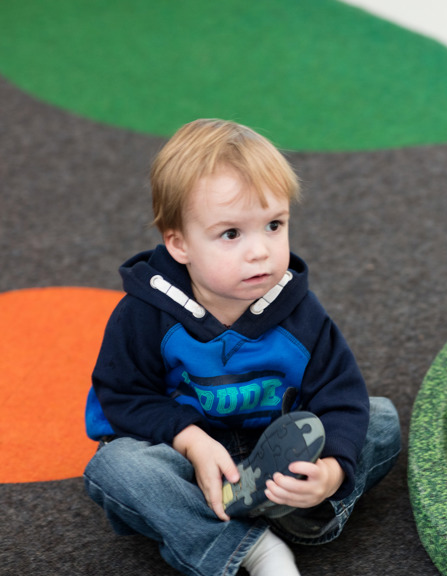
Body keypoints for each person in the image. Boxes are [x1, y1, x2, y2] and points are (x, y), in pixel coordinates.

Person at [82, 118, 401, 576]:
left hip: (277, 448)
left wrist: (330, 473)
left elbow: (340, 395)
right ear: (179, 243)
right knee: (117, 468)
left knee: (382, 420)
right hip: (186, 460)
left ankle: (293, 510)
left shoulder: (300, 311)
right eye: (231, 234)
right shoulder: (145, 313)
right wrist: (190, 440)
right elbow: (123, 398)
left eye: (274, 225)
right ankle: (250, 548)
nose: (261, 252)